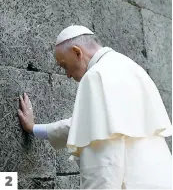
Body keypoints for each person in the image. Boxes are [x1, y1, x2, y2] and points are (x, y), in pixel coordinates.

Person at [18, 25, 172, 189]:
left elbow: (104, 156)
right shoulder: (131, 67)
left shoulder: (96, 75)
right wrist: (34, 128)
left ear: (77, 52)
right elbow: (91, 126)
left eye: (64, 66)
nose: (68, 75)